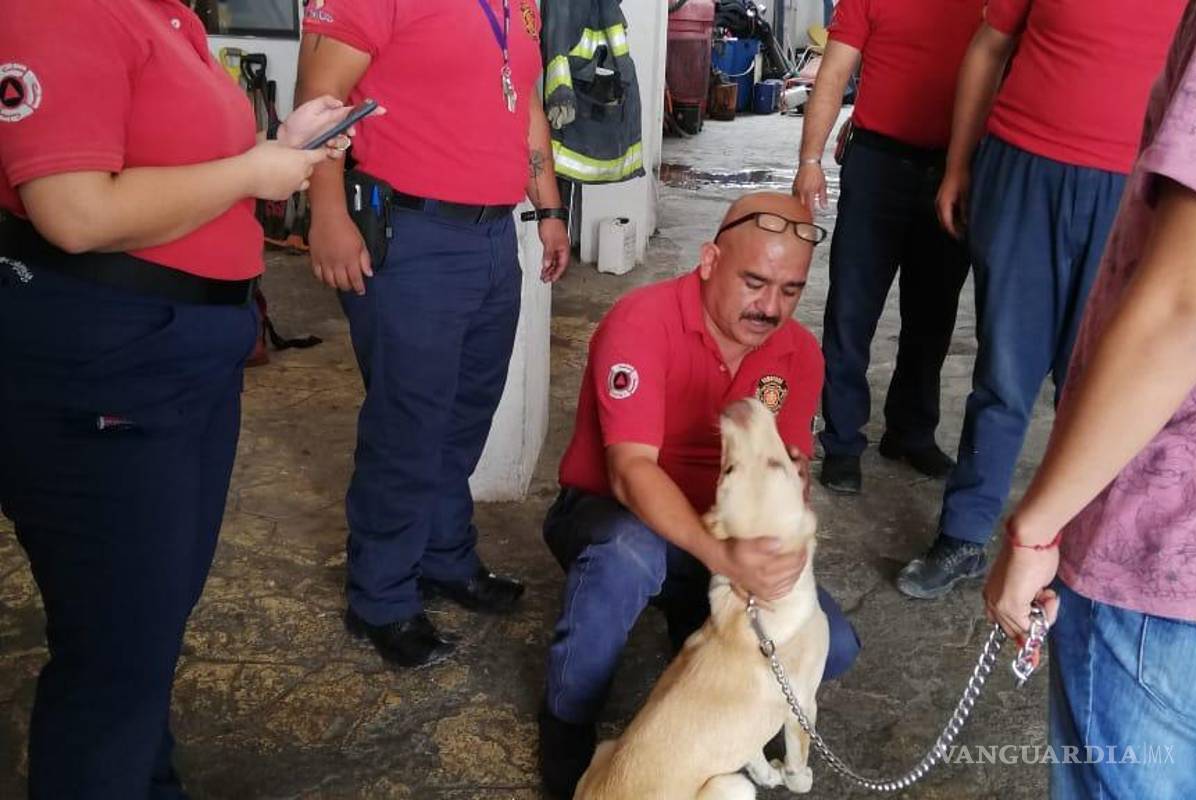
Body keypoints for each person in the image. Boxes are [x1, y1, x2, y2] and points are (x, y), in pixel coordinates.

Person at [0, 1, 357, 796]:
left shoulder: (167, 16)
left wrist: (280, 148)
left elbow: (172, 157)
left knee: (147, 628)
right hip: (110, 359)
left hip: (185, 353)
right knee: (115, 654)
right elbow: (75, 213)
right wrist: (253, 174)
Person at [537, 193, 862, 798]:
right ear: (710, 260)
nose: (770, 307)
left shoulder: (797, 354)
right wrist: (724, 560)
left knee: (833, 645)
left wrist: (781, 540)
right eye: (755, 282)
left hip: (720, 539)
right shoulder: (642, 320)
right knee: (625, 554)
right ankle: (566, 724)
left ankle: (697, 662)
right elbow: (630, 472)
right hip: (616, 515)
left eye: (790, 290)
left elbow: (790, 469)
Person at [296, 0, 571, 669]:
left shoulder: (517, 4)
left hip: (491, 235)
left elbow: (525, 106)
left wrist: (549, 207)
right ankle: (381, 595)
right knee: (408, 422)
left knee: (467, 412)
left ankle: (444, 555)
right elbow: (319, 99)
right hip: (411, 233)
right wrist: (325, 210)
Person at [897, 0, 1187, 599]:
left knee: (1103, 378)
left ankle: (1083, 551)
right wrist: (958, 164)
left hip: (1135, 186)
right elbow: (988, 47)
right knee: (1005, 371)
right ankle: (964, 535)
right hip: (1024, 169)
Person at [985, 6, 1196, 796]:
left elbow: (1182, 308)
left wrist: (1039, 527)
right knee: (1005, 379)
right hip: (1031, 158)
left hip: (1166, 562)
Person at [792, 0, 981, 494]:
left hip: (953, 169)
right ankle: (841, 442)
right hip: (877, 164)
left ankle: (911, 431)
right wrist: (810, 159)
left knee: (933, 313)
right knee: (852, 309)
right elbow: (834, 73)